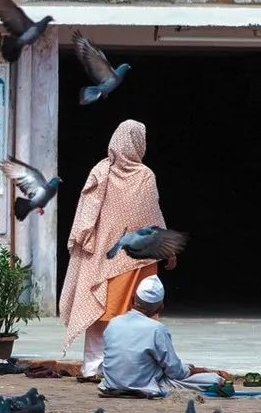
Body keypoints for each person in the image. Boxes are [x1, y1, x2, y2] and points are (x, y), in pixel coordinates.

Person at [59, 119, 175, 381]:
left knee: (101, 311)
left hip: (104, 256)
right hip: (138, 259)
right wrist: (168, 250)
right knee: (140, 313)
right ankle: (131, 368)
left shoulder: (101, 171)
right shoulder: (144, 175)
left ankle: (93, 368)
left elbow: (85, 216)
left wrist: (83, 243)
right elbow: (152, 219)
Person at [99, 275, 227, 397]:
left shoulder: (114, 322)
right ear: (160, 307)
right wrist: (202, 371)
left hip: (112, 385)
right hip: (144, 386)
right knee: (212, 379)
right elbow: (176, 372)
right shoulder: (157, 329)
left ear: (133, 299)